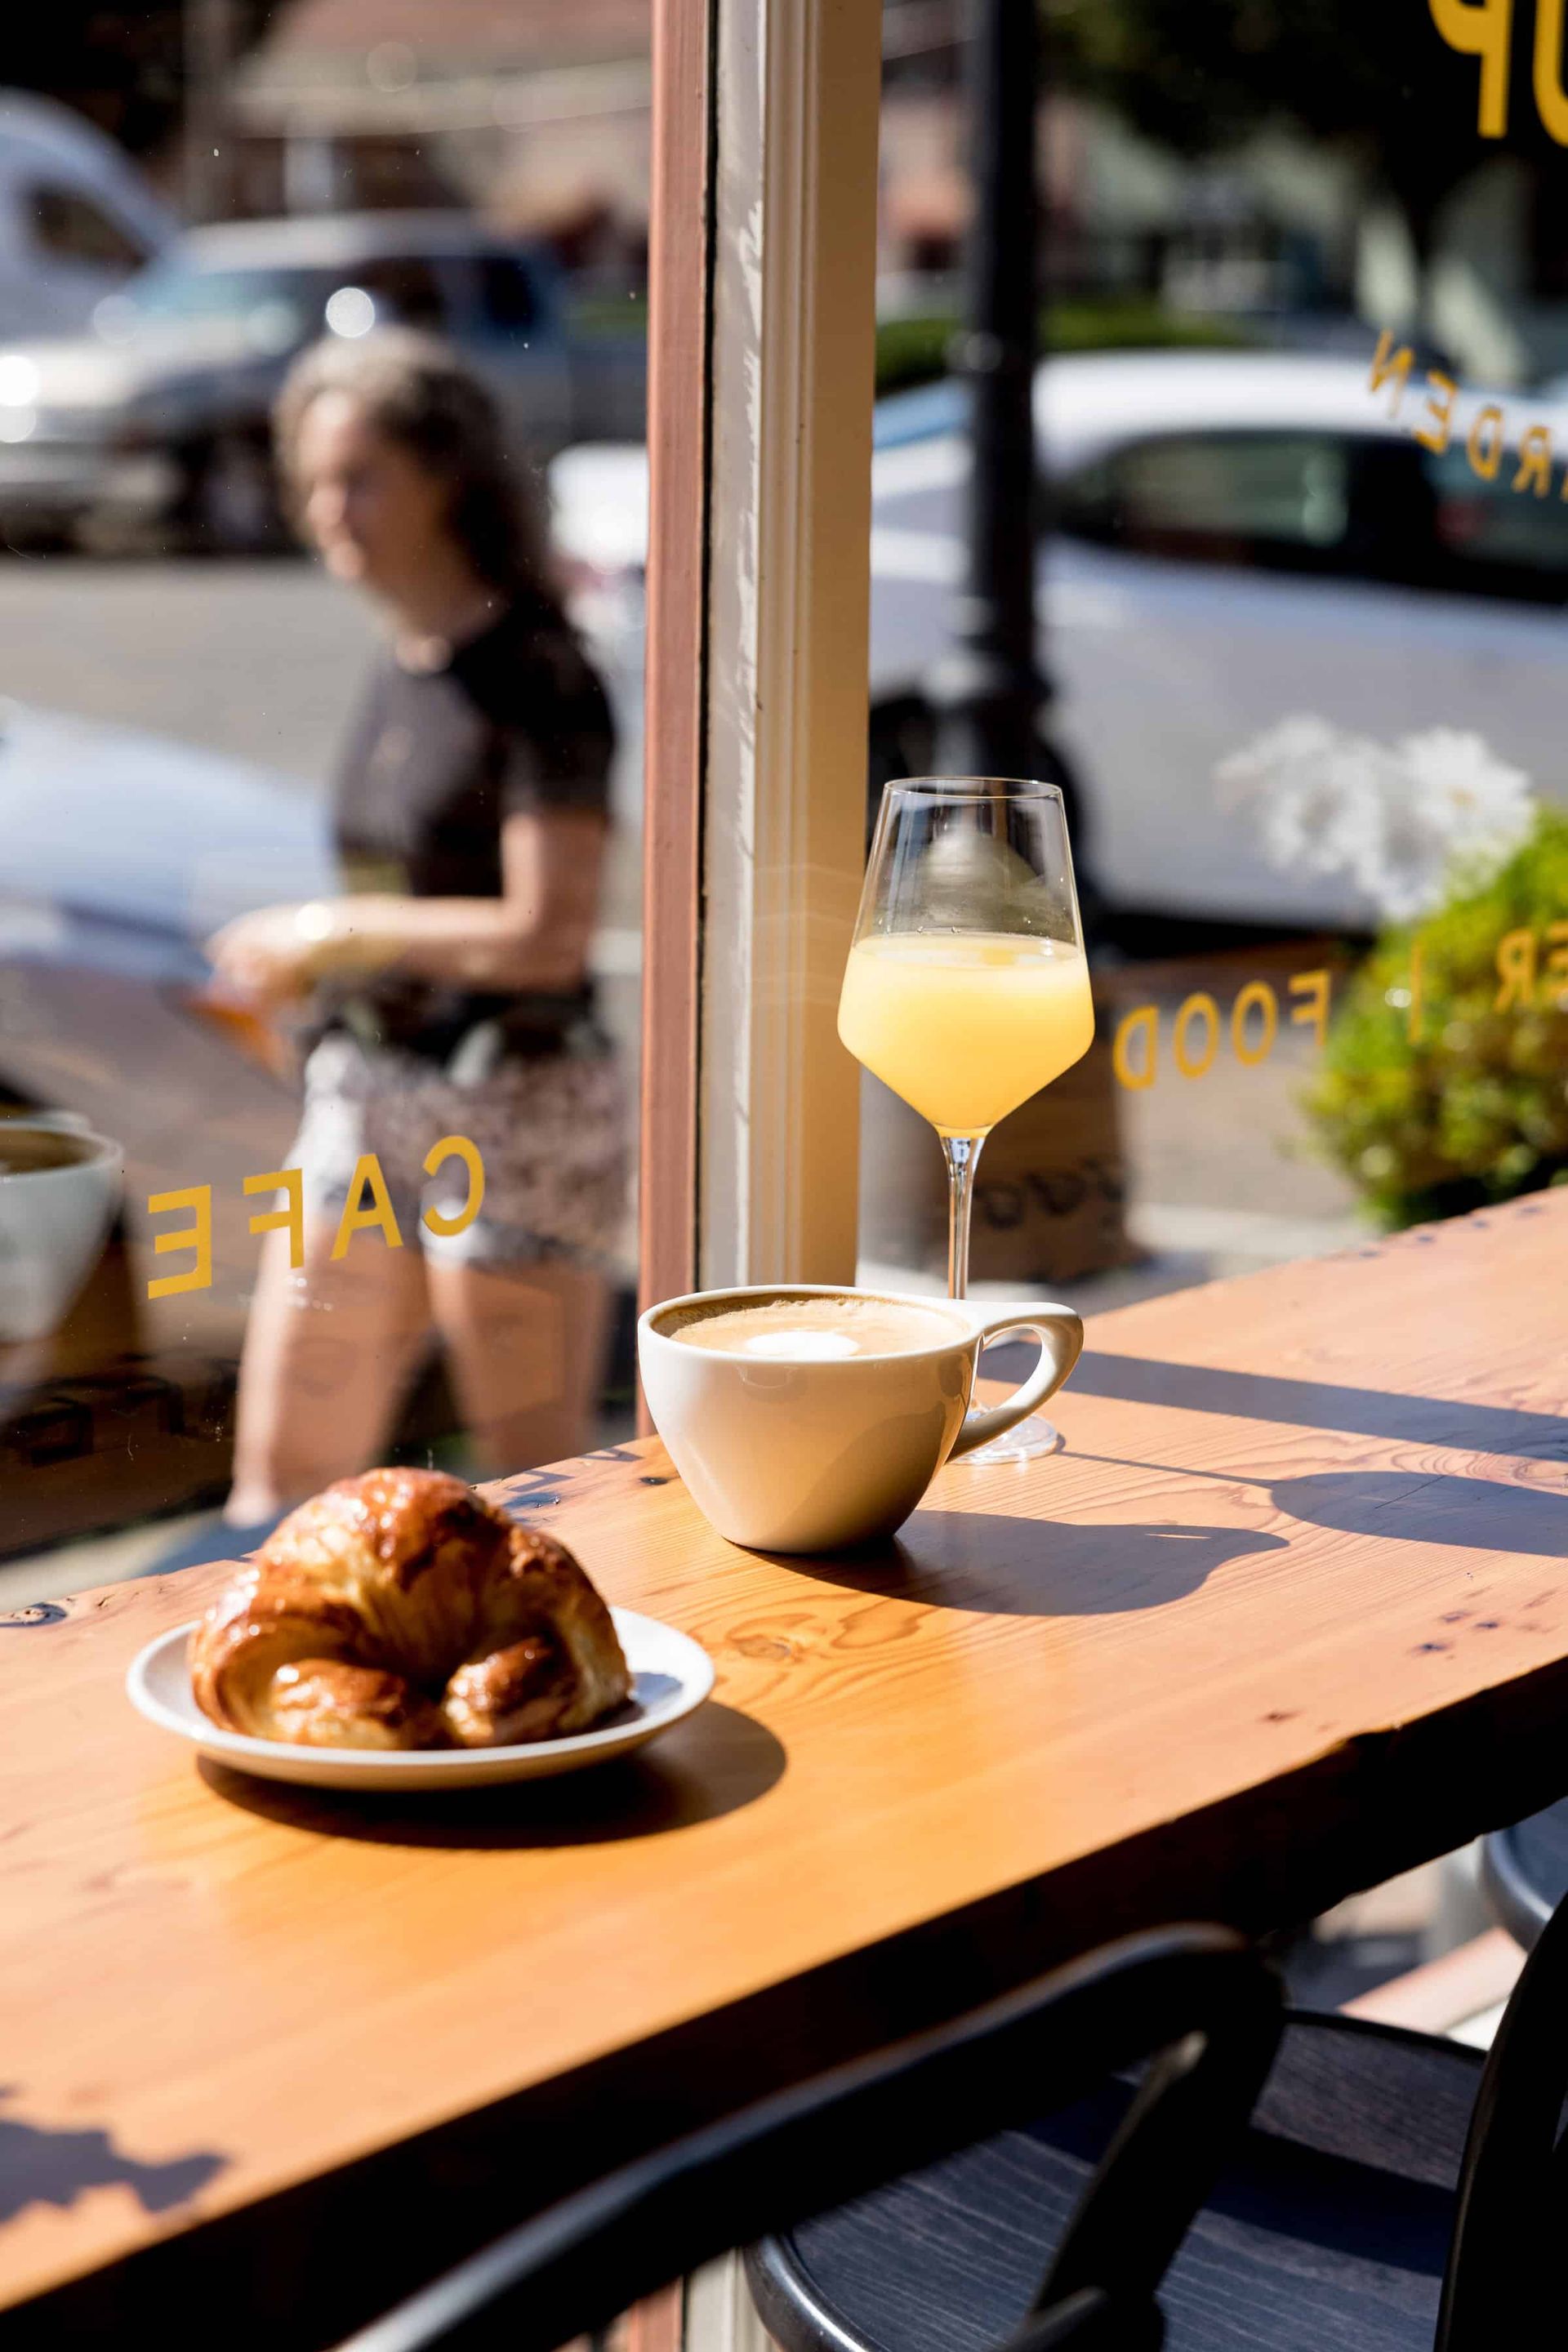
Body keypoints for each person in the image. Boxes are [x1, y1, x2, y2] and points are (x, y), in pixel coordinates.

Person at [206, 330, 626, 1530]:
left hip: (518, 1103)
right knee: (282, 1479)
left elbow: (547, 936)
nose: (327, 511)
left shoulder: (543, 672)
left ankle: (548, 1706)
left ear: (450, 477)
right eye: (315, 481)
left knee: (531, 1488)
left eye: (360, 477)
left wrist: (338, 931)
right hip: (373, 1089)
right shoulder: (405, 660)